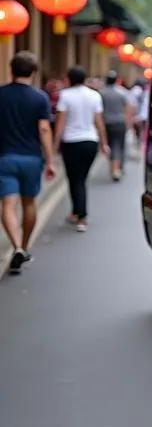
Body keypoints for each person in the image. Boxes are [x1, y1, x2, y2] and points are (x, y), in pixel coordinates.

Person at [0, 52, 56, 273]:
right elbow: (44, 129)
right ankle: (24, 245)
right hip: (32, 158)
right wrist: (50, 160)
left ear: (12, 69)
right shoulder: (40, 97)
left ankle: (16, 247)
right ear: (34, 72)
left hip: (4, 157)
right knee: (29, 203)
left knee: (7, 205)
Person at [54, 65, 108, 233]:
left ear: (69, 79)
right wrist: (104, 143)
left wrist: (55, 144)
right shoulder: (94, 95)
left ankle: (81, 215)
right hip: (90, 141)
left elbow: (61, 122)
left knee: (74, 179)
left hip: (71, 141)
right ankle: (76, 212)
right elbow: (99, 121)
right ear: (85, 79)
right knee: (81, 178)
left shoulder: (65, 95)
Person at [99, 69, 134, 181]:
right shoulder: (122, 92)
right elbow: (129, 107)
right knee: (119, 145)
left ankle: (114, 168)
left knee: (111, 145)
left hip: (107, 123)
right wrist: (129, 121)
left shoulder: (102, 93)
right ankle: (116, 168)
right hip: (120, 122)